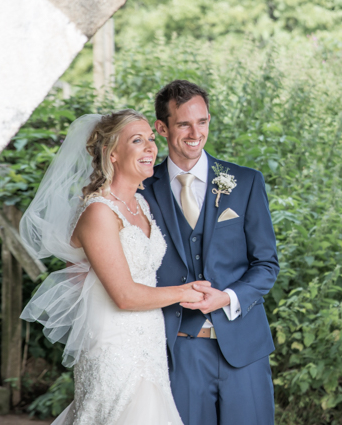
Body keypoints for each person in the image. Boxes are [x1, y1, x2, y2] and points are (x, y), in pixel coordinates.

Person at [21, 110, 209, 424]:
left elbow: (83, 273)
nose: (151, 147)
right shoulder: (98, 212)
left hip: (147, 337)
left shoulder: (141, 205)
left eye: (151, 138)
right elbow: (124, 296)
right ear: (113, 155)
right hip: (114, 343)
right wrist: (185, 292)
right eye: (138, 140)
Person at [140, 80, 279, 425]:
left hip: (243, 346)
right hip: (177, 348)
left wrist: (227, 297)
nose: (195, 132)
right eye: (184, 123)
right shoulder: (141, 189)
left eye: (202, 121)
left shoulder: (245, 182)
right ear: (162, 127)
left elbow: (266, 264)